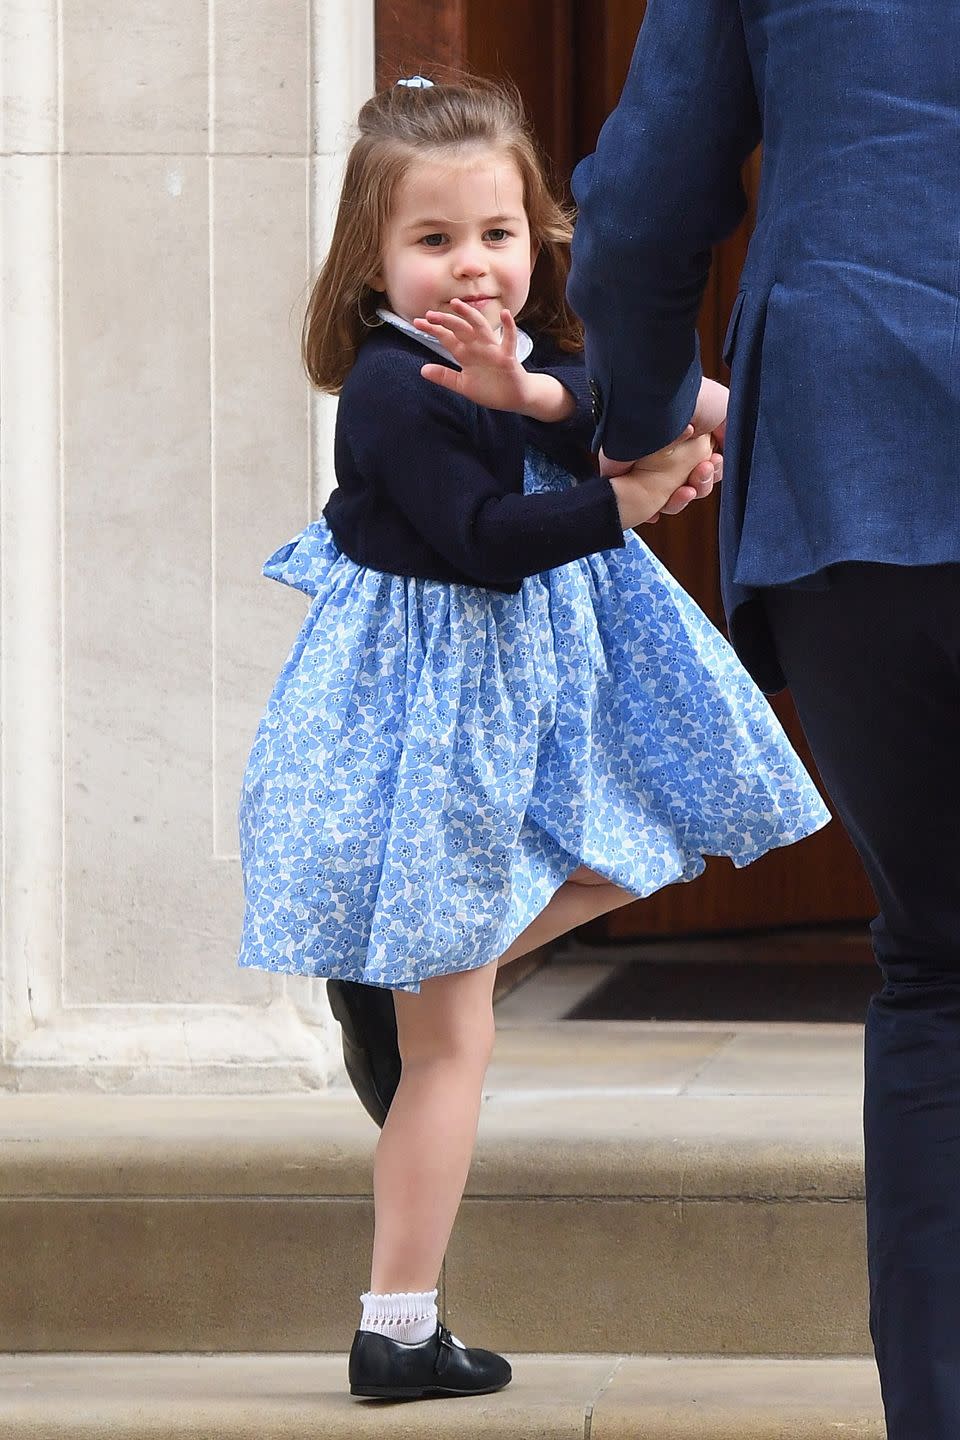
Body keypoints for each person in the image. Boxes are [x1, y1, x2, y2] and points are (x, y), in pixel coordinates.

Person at [236, 73, 829, 1401]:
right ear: (373, 258)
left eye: (497, 234)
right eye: (435, 241)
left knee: (656, 839)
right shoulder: (391, 392)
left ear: (537, 235)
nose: (474, 267)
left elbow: (601, 391)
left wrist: (681, 425)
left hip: (531, 707)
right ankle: (397, 1329)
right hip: (434, 720)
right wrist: (629, 500)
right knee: (453, 1044)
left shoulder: (519, 354)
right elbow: (487, 545)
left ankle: (434, 962)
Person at [565, 4, 960, 1437]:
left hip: (865, 459)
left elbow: (643, 196)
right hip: (859, 455)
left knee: (942, 974)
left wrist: (642, 413)